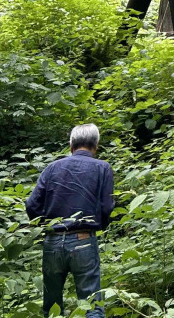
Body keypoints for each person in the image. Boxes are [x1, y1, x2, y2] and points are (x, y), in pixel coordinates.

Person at [26, 123, 115, 318]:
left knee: (52, 308)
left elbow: (32, 205)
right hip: (83, 239)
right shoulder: (103, 168)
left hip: (52, 242)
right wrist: (96, 227)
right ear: (96, 144)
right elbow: (107, 206)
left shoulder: (52, 168)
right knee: (92, 305)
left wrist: (47, 228)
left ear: (71, 144)